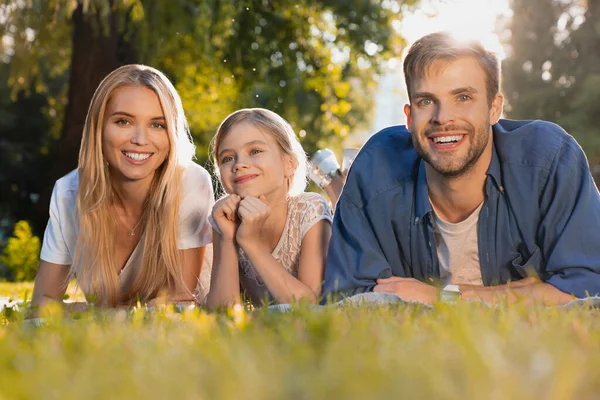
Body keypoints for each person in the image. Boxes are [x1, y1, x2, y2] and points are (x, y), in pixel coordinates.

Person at [323, 31, 600, 305]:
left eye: (463, 97)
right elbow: (349, 299)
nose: (443, 118)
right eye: (426, 101)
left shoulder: (549, 160)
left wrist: (441, 297)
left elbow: (588, 287)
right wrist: (529, 292)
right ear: (409, 117)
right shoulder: (376, 170)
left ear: (494, 108)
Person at [32, 64, 214, 310]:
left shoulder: (189, 183)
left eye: (157, 125)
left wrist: (86, 311)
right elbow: (41, 304)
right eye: (123, 121)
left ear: (171, 133)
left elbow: (178, 304)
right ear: (99, 127)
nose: (140, 139)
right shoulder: (68, 193)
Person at [206, 108, 333, 308]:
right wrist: (229, 238)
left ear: (289, 164)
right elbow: (221, 311)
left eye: (255, 151)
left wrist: (250, 242)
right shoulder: (223, 218)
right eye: (227, 158)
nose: (239, 164)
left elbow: (310, 305)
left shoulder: (310, 209)